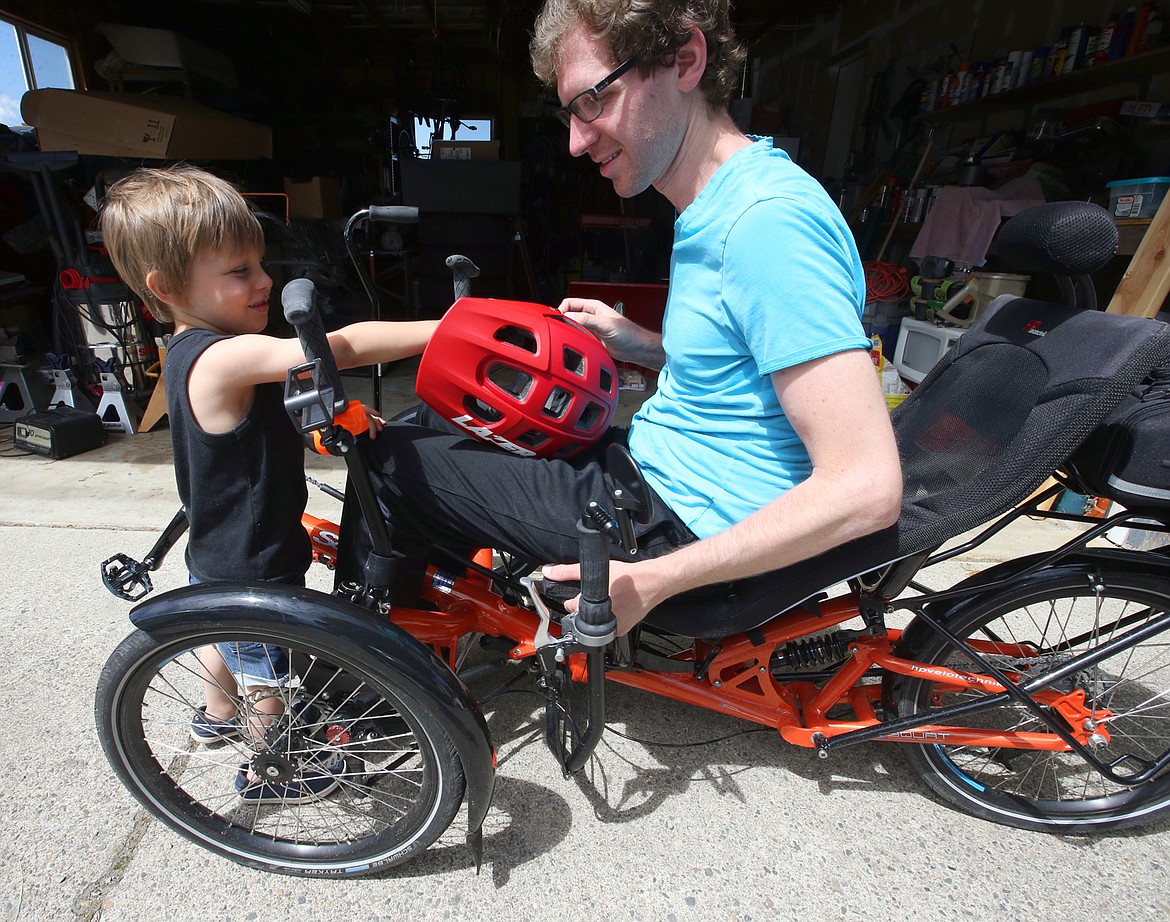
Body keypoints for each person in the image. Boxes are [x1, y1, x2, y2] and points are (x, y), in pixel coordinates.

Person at [344, 0, 902, 638]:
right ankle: (430, 628)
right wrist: (645, 344)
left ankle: (361, 701)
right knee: (436, 418)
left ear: (685, 61)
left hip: (679, 532)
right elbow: (758, 366)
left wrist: (654, 580)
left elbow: (866, 487)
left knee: (386, 460)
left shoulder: (766, 223)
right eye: (570, 112)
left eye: (594, 102)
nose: (577, 141)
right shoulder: (723, 201)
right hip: (657, 479)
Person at [100, 164, 438, 802]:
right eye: (239, 271)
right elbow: (341, 348)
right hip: (256, 563)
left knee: (221, 637)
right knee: (267, 674)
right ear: (167, 285)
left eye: (260, 263)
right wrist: (448, 328)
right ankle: (268, 766)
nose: (264, 282)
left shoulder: (186, 354)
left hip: (216, 550)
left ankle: (213, 716)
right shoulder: (223, 359)